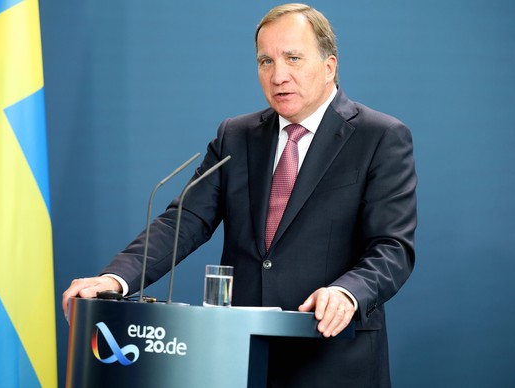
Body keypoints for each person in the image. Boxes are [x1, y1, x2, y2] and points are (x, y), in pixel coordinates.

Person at [62, 3, 417, 387]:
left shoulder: (379, 137)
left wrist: (348, 293)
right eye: (266, 61)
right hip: (239, 357)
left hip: (332, 357)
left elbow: (392, 247)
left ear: (329, 66)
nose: (278, 75)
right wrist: (116, 279)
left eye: (293, 58)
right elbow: (185, 222)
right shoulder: (237, 135)